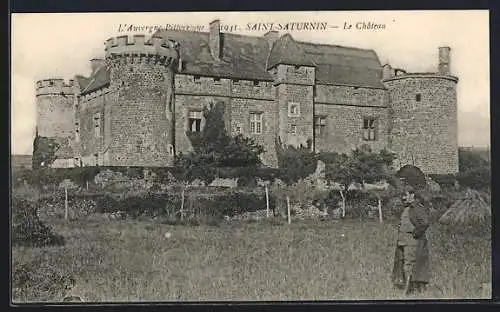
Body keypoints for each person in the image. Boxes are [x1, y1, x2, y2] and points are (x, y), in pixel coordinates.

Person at [391, 165, 431, 295]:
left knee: (409, 265)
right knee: (403, 264)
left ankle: (408, 291)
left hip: (411, 241)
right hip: (403, 241)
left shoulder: (417, 208)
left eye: (405, 195)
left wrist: (416, 233)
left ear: (412, 195)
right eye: (402, 196)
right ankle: (407, 287)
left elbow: (425, 222)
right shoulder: (407, 208)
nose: (403, 198)